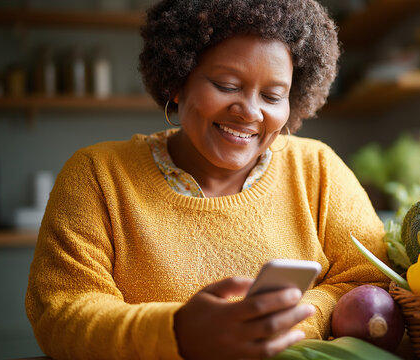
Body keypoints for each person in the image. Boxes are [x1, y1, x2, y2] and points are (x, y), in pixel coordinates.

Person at [25, 0, 390, 359]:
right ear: (177, 81)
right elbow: (62, 312)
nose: (249, 111)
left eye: (272, 95)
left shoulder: (318, 169)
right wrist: (178, 332)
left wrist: (288, 324)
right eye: (226, 85)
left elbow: (369, 278)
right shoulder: (98, 175)